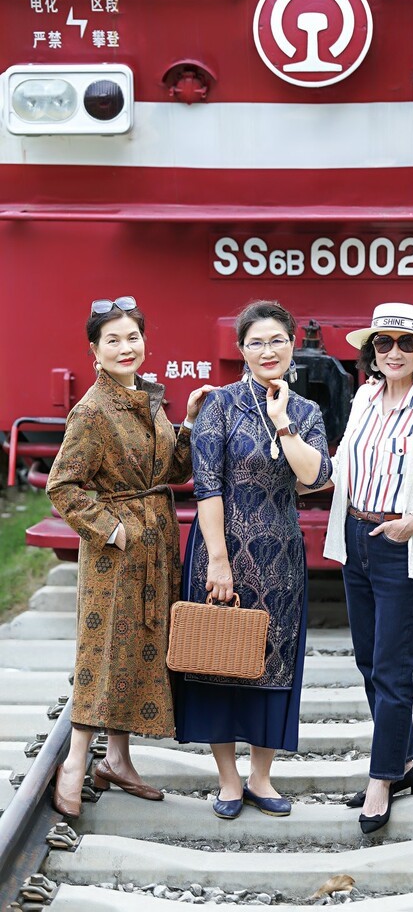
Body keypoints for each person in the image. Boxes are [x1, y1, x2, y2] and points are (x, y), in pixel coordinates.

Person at [47, 296, 212, 818]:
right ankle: (75, 762)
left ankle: (117, 760)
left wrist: (188, 423)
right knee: (103, 653)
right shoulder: (92, 410)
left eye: (132, 337)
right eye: (112, 340)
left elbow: (174, 472)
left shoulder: (148, 398)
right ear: (93, 350)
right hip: (115, 556)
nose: (125, 347)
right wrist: (113, 530)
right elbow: (62, 485)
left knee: (140, 647)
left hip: (156, 546)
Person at [174, 300, 332, 820]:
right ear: (241, 350)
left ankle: (261, 778)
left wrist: (283, 423)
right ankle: (227, 779)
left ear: (292, 345)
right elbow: (208, 486)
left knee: (273, 662)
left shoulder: (306, 412)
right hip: (220, 549)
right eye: (256, 342)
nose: (268, 351)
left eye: (277, 341)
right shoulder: (219, 404)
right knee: (214, 659)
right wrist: (218, 561)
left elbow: (315, 476)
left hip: (281, 557)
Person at [323, 302, 413, 833]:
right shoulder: (363, 397)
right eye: (383, 343)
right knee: (369, 662)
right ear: (372, 351)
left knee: (392, 668)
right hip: (357, 536)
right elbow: (342, 464)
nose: (394, 352)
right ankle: (404, 764)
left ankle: (380, 779)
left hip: (403, 543)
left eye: (406, 343)